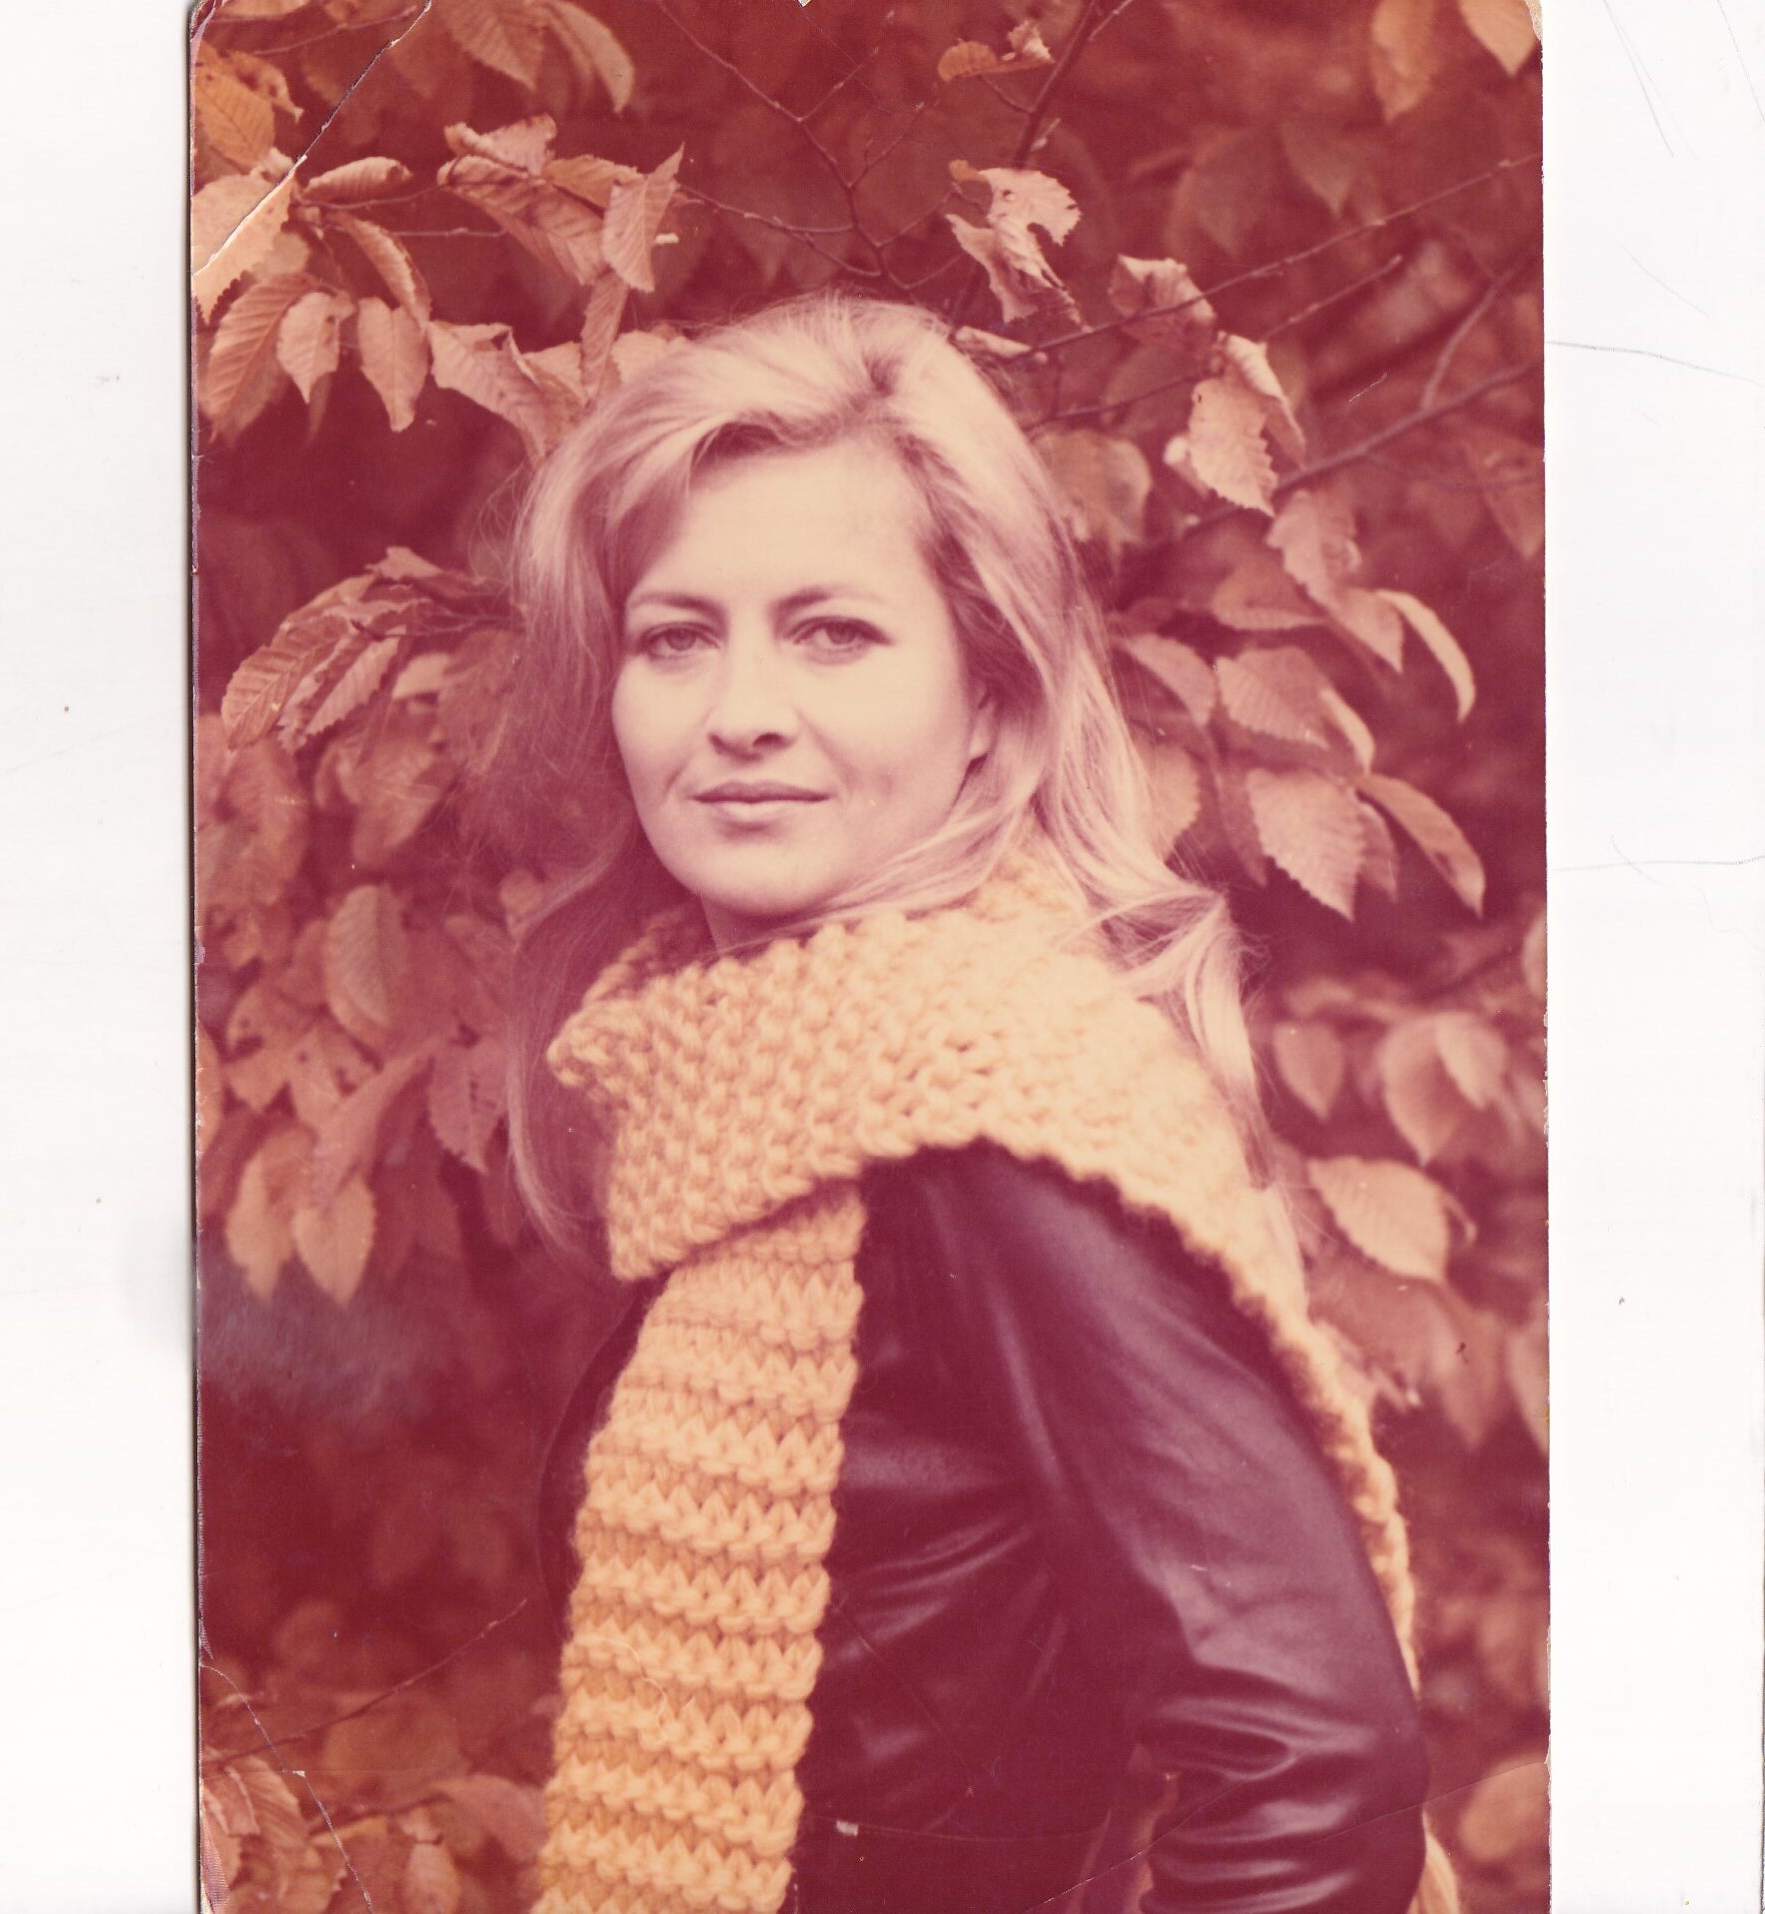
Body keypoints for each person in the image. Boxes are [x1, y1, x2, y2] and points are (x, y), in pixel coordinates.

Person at [489, 291, 1455, 1914]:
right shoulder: (762, 1092)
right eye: (675, 636)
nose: (738, 710)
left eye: (833, 632)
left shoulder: (986, 1123)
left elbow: (1314, 1775)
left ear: (992, 701)